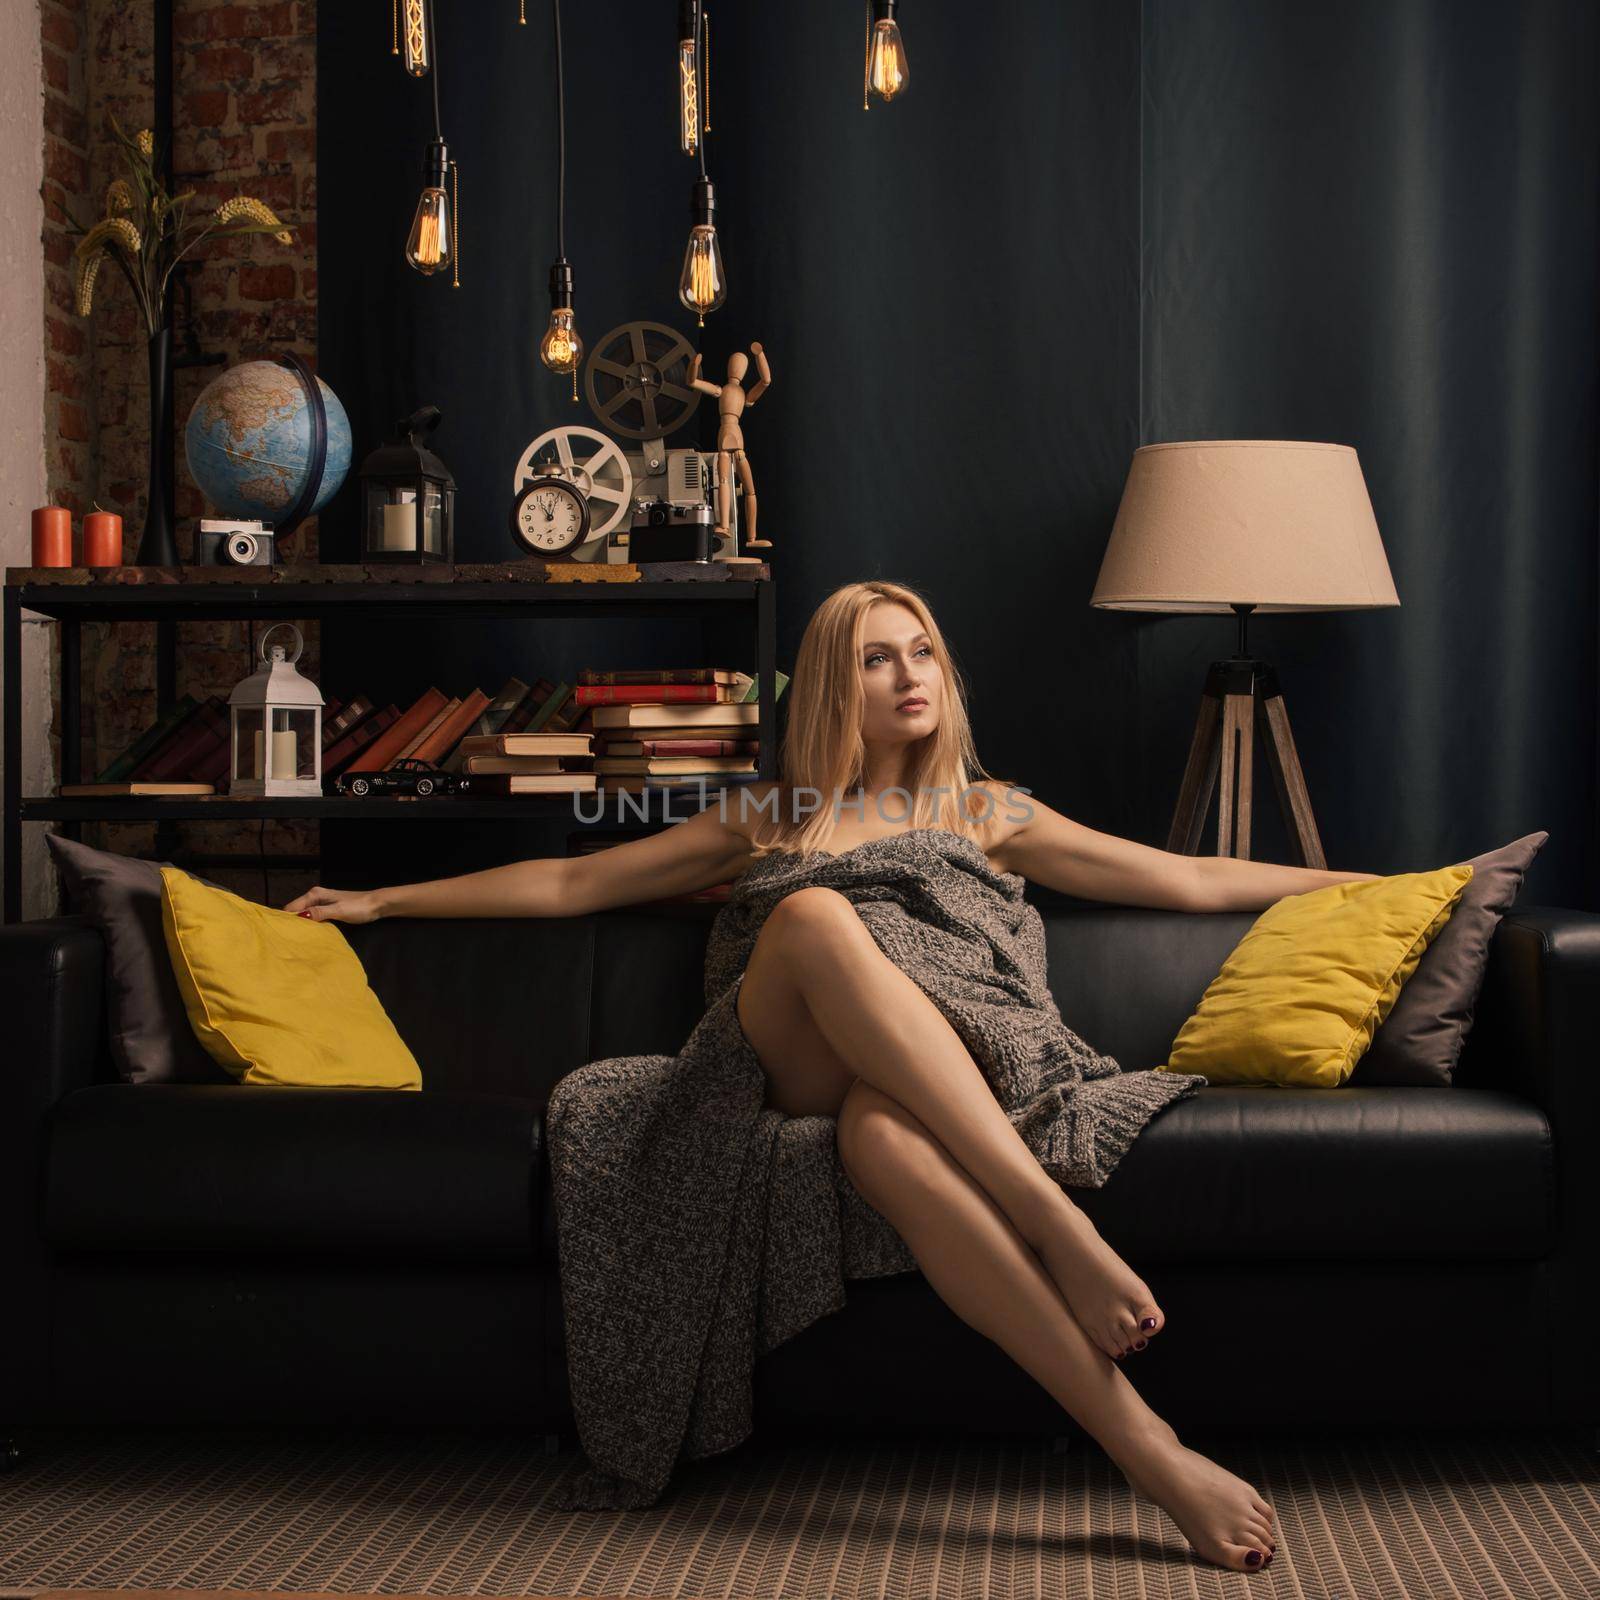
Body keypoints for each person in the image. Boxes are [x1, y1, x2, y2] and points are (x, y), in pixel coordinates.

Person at [287, 578, 1381, 1574]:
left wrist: (1387, 881)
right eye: (875, 658)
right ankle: (1058, 1226)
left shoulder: (990, 811)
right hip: (779, 1059)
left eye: (922, 652)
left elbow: (1188, 879)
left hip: (961, 1058)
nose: (908, 676)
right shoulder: (769, 817)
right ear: (830, 683)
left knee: (884, 1139)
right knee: (812, 913)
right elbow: (574, 887)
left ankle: (1148, 1450)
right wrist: (383, 904)